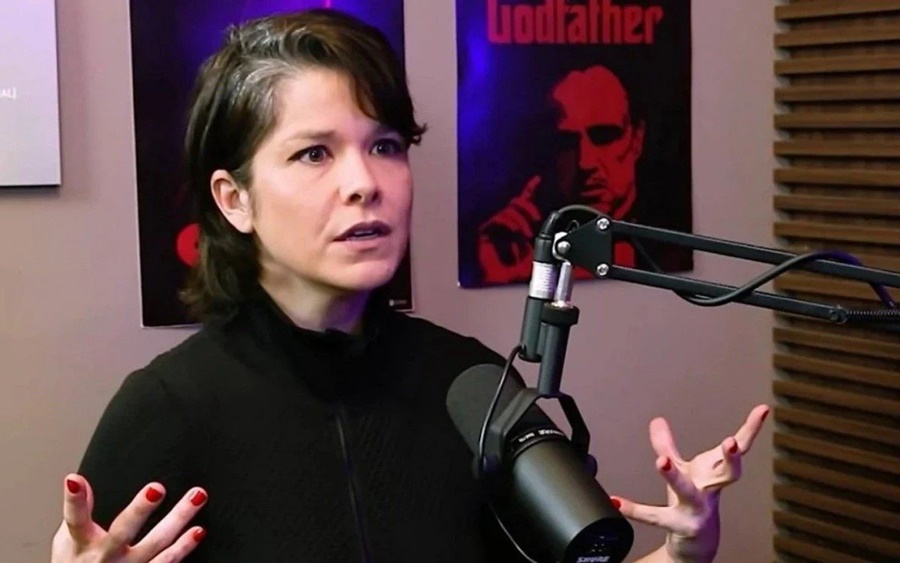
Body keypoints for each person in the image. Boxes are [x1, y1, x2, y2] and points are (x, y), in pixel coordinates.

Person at [50, 9, 768, 563]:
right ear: (234, 199)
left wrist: (682, 549)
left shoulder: (472, 387)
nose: (365, 182)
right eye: (314, 153)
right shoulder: (168, 408)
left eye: (385, 146)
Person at [477, 64, 646, 285]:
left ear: (637, 139)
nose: (585, 162)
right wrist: (501, 276)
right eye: (568, 142)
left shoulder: (669, 248)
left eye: (604, 136)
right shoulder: (515, 242)